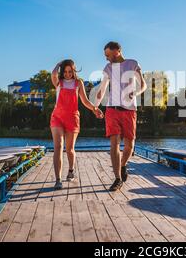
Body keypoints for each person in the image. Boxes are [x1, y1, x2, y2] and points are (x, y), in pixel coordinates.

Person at [95, 42, 147, 191]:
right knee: (114, 143)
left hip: (130, 110)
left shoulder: (132, 64)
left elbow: (143, 85)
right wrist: (95, 106)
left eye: (108, 55)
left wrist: (136, 93)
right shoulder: (108, 68)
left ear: (117, 51)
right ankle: (117, 178)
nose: (106, 59)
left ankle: (123, 165)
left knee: (130, 145)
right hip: (112, 110)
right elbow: (102, 90)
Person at [50, 59, 103, 190]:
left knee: (70, 149)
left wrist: (95, 109)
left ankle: (71, 170)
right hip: (57, 117)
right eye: (65, 71)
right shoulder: (59, 82)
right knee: (58, 146)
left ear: (74, 71)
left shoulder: (78, 83)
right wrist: (58, 64)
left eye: (70, 71)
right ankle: (58, 180)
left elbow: (84, 101)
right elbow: (53, 74)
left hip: (72, 119)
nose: (68, 74)